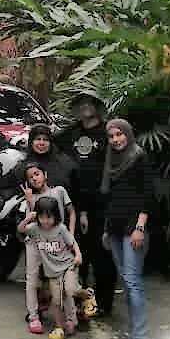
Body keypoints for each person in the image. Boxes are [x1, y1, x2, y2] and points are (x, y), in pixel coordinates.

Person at [55, 93, 116, 318]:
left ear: (97, 107)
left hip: (102, 204)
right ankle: (80, 302)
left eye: (90, 104)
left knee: (103, 256)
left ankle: (103, 303)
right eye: (81, 105)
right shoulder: (71, 134)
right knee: (79, 255)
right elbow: (47, 145)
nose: (85, 108)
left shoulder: (108, 133)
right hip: (75, 204)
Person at [100, 118, 154, 339]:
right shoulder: (112, 161)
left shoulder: (139, 157)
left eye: (119, 135)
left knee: (133, 281)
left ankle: (140, 337)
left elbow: (148, 194)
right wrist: (106, 229)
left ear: (128, 134)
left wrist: (140, 227)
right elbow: (110, 198)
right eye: (111, 137)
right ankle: (133, 330)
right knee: (126, 280)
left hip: (134, 228)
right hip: (115, 226)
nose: (116, 140)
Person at [17, 195, 83, 339]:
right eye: (42, 217)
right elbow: (21, 229)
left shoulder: (61, 229)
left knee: (70, 291)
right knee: (57, 300)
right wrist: (29, 218)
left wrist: (78, 255)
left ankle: (82, 303)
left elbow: (72, 243)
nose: (45, 221)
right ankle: (61, 326)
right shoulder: (35, 228)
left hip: (67, 266)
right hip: (52, 272)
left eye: (49, 217)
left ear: (56, 216)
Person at [19, 162, 76, 329]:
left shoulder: (59, 191)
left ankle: (71, 317)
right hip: (36, 241)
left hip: (58, 241)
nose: (34, 178)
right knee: (32, 278)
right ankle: (33, 316)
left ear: (45, 174)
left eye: (36, 174)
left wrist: (70, 235)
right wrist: (29, 202)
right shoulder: (30, 198)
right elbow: (29, 224)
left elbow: (71, 212)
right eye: (30, 177)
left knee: (63, 277)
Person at [24, 124, 77, 197]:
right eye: (38, 139)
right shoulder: (25, 164)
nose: (41, 143)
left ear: (50, 143)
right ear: (31, 142)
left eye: (45, 140)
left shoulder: (64, 162)